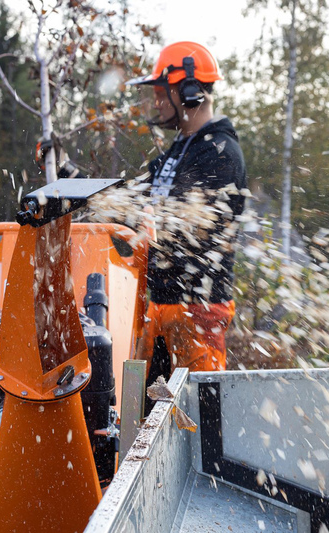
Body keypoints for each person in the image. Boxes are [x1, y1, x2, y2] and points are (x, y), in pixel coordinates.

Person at [126, 41, 247, 379]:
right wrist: (72, 181)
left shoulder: (220, 152)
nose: (157, 102)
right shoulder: (178, 150)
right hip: (163, 304)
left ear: (189, 91)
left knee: (196, 415)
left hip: (198, 309)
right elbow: (131, 195)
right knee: (149, 417)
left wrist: (151, 220)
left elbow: (196, 226)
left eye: (163, 93)